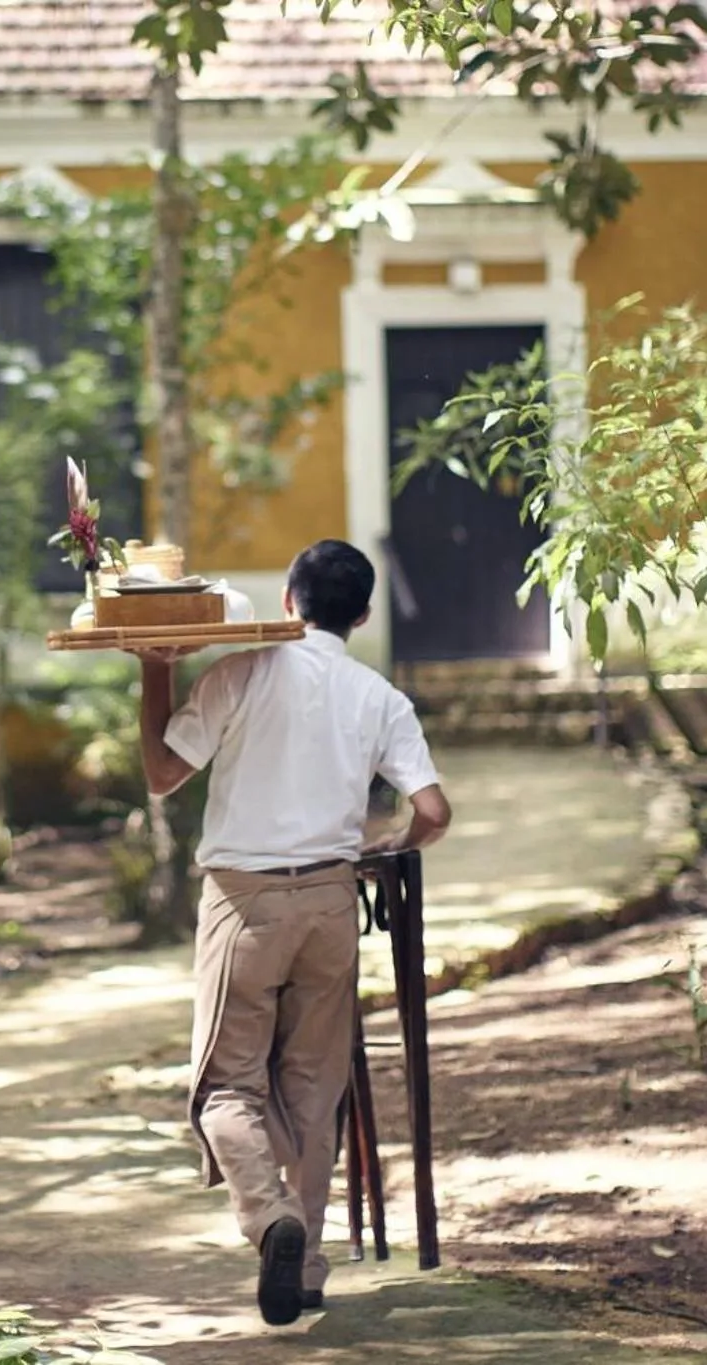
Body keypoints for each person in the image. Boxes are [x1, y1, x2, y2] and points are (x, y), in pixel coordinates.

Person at [134, 538, 451, 1327]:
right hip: (331, 904)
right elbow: (434, 812)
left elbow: (162, 774)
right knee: (316, 1089)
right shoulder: (380, 696)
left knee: (223, 1085)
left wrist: (154, 670)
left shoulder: (240, 672)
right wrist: (386, 847)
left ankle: (268, 1213)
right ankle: (306, 1263)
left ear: (287, 600)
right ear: (364, 614)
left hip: (244, 903)